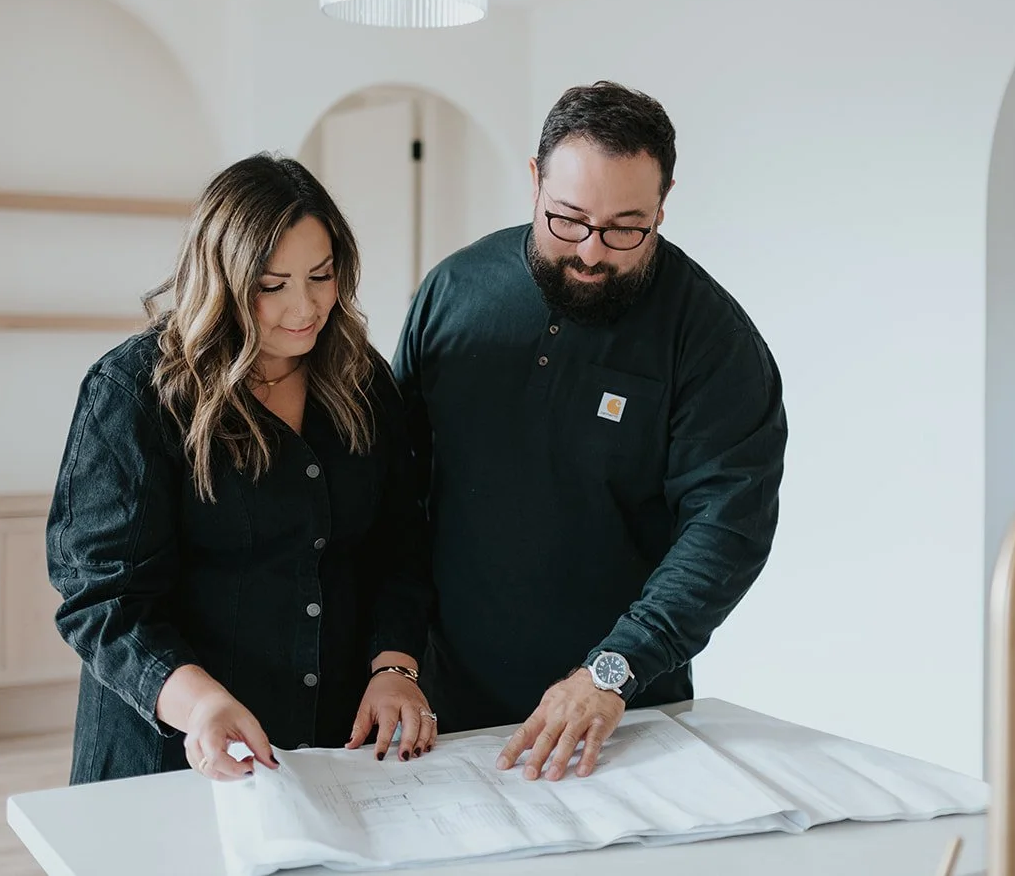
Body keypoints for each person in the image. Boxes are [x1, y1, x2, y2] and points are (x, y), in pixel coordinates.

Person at [393, 80, 787, 783]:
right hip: (443, 708)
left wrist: (611, 671)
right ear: (535, 179)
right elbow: (394, 495)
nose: (591, 252)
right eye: (567, 219)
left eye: (625, 228)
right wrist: (392, 659)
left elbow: (726, 529)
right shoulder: (453, 292)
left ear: (664, 206)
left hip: (625, 715)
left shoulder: (712, 341)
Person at [47, 154, 437, 784]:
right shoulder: (134, 393)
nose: (304, 308)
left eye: (321, 276)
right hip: (172, 752)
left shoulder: (362, 383)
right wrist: (200, 702)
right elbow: (103, 599)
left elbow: (400, 547)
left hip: (335, 745)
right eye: (271, 285)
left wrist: (395, 668)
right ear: (221, 279)